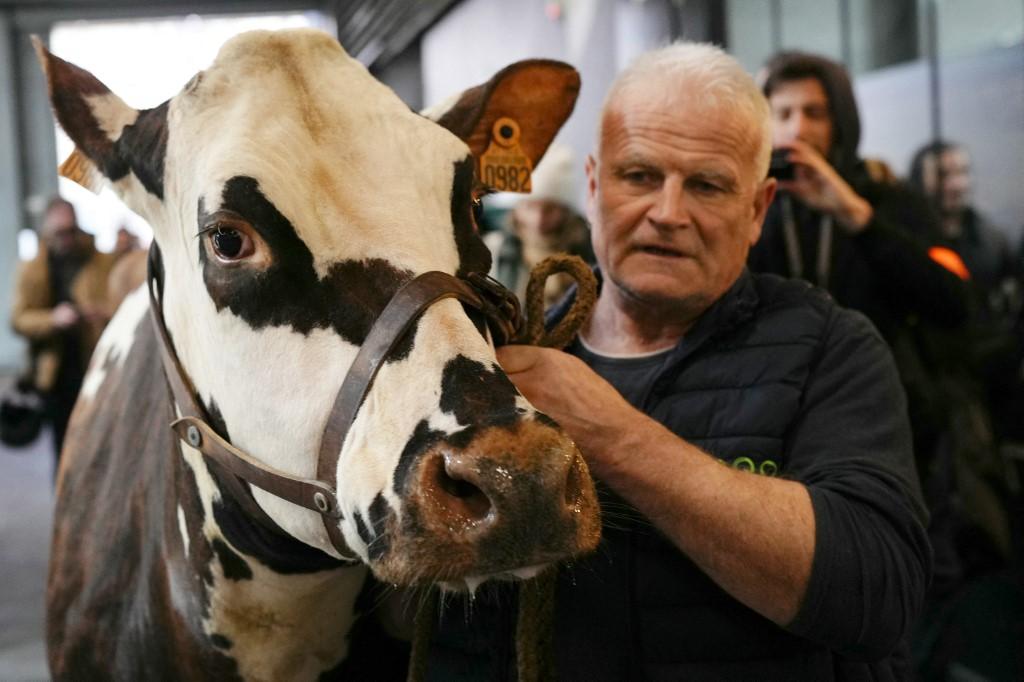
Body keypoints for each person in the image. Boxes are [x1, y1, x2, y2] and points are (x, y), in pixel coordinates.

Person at [422, 43, 930, 680]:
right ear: (594, 184)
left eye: (707, 185)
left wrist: (613, 434)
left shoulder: (829, 348)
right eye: (639, 176)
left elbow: (874, 597)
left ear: (757, 209)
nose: (667, 213)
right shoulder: (507, 371)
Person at [747, 51, 969, 346]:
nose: (798, 129)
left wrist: (858, 217)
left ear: (840, 121)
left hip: (875, 376)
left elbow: (955, 307)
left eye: (815, 113)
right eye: (784, 114)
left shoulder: (887, 196)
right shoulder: (751, 203)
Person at [11, 197, 115, 463]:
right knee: (65, 452)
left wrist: (98, 312)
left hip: (95, 364)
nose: (67, 238)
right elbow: (19, 319)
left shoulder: (99, 261)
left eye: (71, 230)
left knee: (103, 447)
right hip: (56, 373)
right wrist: (53, 319)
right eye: (60, 232)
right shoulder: (34, 269)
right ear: (47, 230)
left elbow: (117, 302)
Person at [908, 140, 1020, 324]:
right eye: (943, 174)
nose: (957, 184)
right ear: (919, 178)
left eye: (963, 172)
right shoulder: (903, 240)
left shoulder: (993, 241)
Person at [484, 143, 594, 307]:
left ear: (565, 211)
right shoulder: (492, 251)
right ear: (516, 207)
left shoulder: (588, 256)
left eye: (550, 210)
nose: (538, 220)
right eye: (530, 207)